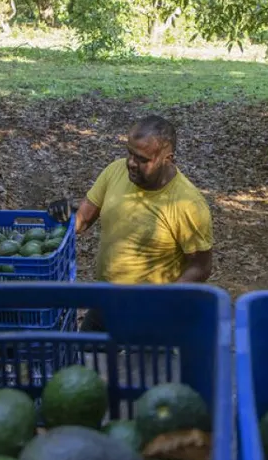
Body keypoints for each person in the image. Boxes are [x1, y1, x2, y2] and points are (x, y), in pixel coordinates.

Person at [49, 115, 214, 330]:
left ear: (167, 159)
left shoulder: (187, 203)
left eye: (142, 159)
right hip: (105, 301)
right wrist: (65, 215)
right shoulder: (115, 171)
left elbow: (201, 267)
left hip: (151, 312)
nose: (131, 163)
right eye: (130, 153)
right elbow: (83, 220)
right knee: (85, 349)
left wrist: (165, 302)